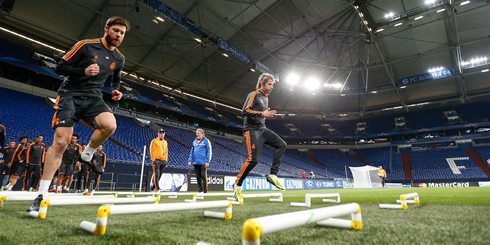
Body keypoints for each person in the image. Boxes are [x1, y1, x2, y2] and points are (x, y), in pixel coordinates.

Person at [28, 16, 129, 211]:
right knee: (60, 142)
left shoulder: (120, 58)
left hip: (93, 98)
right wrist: (84, 71)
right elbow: (60, 67)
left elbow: (116, 79)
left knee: (110, 125)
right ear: (107, 28)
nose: (118, 35)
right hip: (70, 95)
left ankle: (87, 154)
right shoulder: (85, 45)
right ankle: (41, 195)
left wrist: (116, 90)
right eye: (115, 30)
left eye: (122, 33)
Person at [233, 73, 287, 201]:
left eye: (272, 84)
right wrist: (262, 113)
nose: (272, 87)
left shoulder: (266, 98)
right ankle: (237, 184)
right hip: (252, 130)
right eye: (269, 84)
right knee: (253, 160)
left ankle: (273, 175)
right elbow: (244, 111)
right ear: (262, 84)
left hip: (262, 129)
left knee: (282, 145)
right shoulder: (254, 95)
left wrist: (265, 114)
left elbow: (261, 115)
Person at [187, 128, 212, 193]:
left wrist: (207, 161)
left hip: (203, 162)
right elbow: (191, 151)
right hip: (196, 162)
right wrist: (190, 160)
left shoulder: (206, 141)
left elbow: (209, 151)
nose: (197, 134)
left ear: (202, 134)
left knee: (203, 175)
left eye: (198, 133)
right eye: (196, 133)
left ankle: (205, 189)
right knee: (198, 176)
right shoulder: (194, 141)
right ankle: (200, 189)